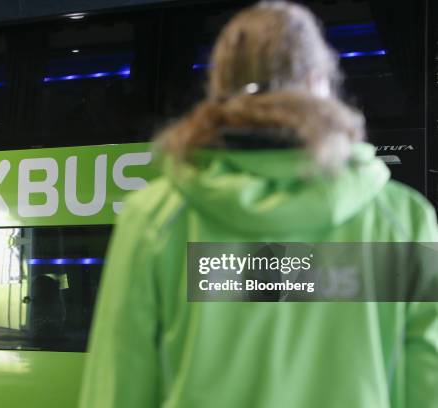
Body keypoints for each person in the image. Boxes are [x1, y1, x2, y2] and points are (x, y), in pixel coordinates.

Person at [79, 2, 438, 408]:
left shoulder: (154, 218)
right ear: (319, 81)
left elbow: (116, 388)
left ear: (218, 88)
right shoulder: (404, 219)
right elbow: (427, 383)